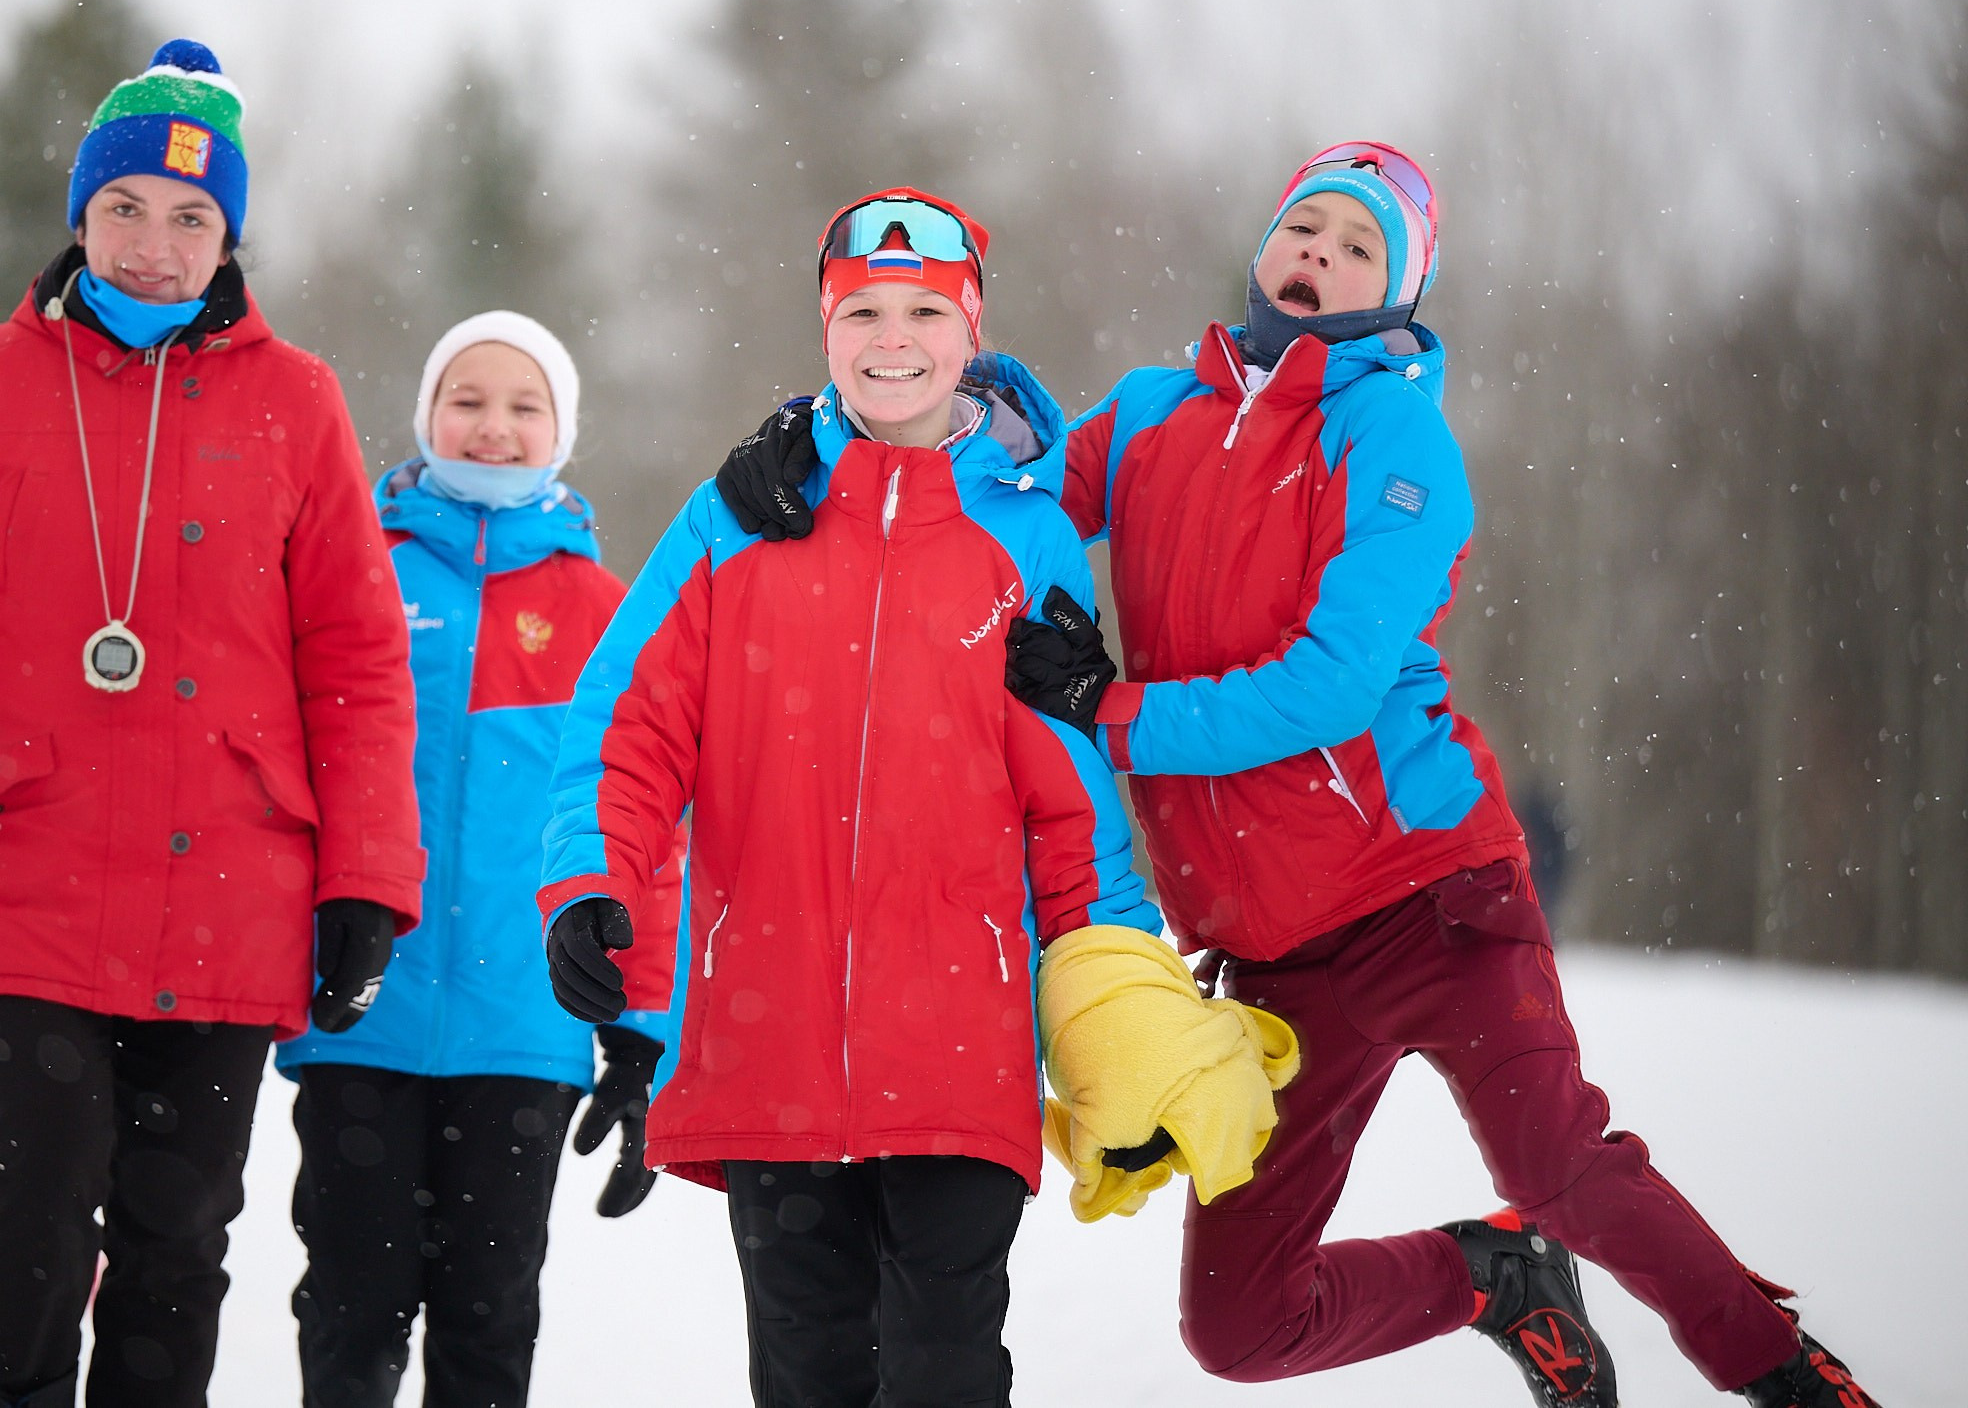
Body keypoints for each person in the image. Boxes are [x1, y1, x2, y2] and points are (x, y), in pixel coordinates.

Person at [716, 147, 1882, 1408]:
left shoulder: (1394, 438)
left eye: (1359, 245)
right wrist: (808, 448)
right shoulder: (1155, 412)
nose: (1320, 251)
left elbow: (1330, 686)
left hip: (1429, 899)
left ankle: (1784, 1373)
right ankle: (1492, 1279)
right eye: (1304, 227)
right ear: (1266, 250)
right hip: (1274, 959)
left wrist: (1108, 710)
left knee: (1554, 1159)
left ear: (1400, 290)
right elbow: (986, 487)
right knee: (1241, 1329)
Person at [542, 190, 1278, 1408]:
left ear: (970, 330)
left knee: (945, 1373)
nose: (893, 339)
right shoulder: (741, 516)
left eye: (925, 313)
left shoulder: (1023, 539)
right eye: (863, 312)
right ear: (825, 332)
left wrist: (1121, 1010)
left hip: (957, 1046)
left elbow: (1072, 809)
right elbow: (629, 723)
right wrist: (587, 879)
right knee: (807, 1376)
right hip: (769, 1037)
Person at [0, 39, 422, 1408]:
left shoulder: (296, 402)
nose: (154, 245)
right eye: (125, 207)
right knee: (33, 1194)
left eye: (192, 219)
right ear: (81, 216)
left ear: (229, 240)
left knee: (177, 1239)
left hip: (231, 876)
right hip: (24, 863)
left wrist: (366, 882)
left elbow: (358, 663)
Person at [273, 311, 675, 1408]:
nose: (493, 425)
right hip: (361, 1010)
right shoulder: (354, 575)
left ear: (562, 432)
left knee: (488, 1321)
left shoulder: (604, 612)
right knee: (350, 1311)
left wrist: (641, 1024)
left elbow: (648, 828)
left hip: (525, 1031)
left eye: (523, 405)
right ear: (425, 417)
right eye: (467, 399)